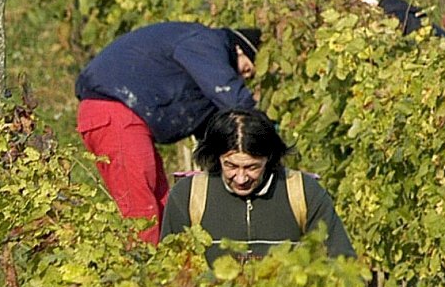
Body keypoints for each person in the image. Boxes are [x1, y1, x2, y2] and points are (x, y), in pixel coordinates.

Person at [74, 22, 264, 241]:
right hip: (114, 112)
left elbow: (210, 127)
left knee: (163, 208)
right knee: (142, 213)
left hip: (122, 115)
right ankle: (145, 263)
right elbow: (230, 95)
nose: (243, 77)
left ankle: (165, 260)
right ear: (239, 49)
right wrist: (263, 133)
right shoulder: (205, 42)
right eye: (246, 69)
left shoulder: (202, 58)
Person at [158, 109, 354, 259]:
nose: (241, 178)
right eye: (231, 166)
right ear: (217, 158)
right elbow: (169, 270)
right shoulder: (188, 196)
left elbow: (341, 262)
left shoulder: (304, 192)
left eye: (252, 167)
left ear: (269, 158)